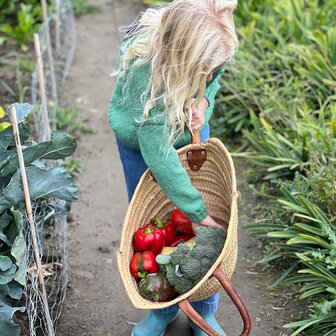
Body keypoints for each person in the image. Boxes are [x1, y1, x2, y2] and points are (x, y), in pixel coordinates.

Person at [109, 1, 238, 335]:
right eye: (203, 69)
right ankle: (163, 307)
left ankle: (205, 309)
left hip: (186, 130)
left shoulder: (213, 46)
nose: (210, 74)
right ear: (181, 56)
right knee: (153, 221)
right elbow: (156, 148)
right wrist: (195, 211)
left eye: (215, 68)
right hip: (143, 143)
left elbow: (213, 80)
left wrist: (203, 104)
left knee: (204, 214)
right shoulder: (146, 68)